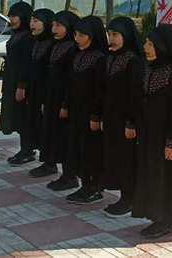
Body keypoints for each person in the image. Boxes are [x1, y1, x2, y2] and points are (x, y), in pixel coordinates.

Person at [132, 25, 172, 239]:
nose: (146, 48)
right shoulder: (151, 71)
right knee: (153, 176)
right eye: (146, 43)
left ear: (164, 47)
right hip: (150, 137)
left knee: (166, 178)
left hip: (166, 138)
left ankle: (166, 222)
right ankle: (156, 218)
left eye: (151, 44)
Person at [101, 16, 144, 218]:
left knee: (127, 160)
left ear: (126, 35)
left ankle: (130, 199)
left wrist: (130, 122)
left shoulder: (133, 61)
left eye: (116, 34)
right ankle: (124, 197)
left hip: (126, 121)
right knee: (116, 158)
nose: (112, 39)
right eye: (109, 34)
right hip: (111, 118)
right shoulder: (111, 57)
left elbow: (135, 95)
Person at [65, 15, 108, 205]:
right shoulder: (78, 54)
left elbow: (101, 90)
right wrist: (66, 105)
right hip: (77, 110)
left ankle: (95, 187)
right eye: (76, 34)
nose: (77, 39)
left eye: (82, 36)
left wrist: (96, 115)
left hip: (91, 113)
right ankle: (85, 185)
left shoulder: (100, 59)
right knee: (79, 147)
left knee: (92, 149)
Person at [36, 10, 81, 191]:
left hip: (65, 100)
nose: (54, 29)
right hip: (52, 98)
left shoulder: (73, 48)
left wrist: (65, 104)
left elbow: (71, 78)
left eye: (59, 25)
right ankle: (61, 171)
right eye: (53, 25)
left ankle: (70, 176)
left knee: (65, 138)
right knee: (55, 136)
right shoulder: (56, 45)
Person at [0, 1, 35, 165]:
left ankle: (28, 150)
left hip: (21, 84)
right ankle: (24, 149)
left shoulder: (28, 37)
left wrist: (21, 86)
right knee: (16, 116)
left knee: (23, 117)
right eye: (10, 16)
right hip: (11, 82)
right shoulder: (17, 34)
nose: (11, 19)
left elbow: (26, 63)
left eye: (14, 16)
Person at [23, 8, 55, 174]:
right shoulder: (36, 42)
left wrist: (44, 98)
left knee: (47, 127)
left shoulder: (52, 44)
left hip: (46, 92)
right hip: (35, 91)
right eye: (31, 21)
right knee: (37, 126)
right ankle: (45, 161)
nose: (32, 24)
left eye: (36, 21)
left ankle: (51, 163)